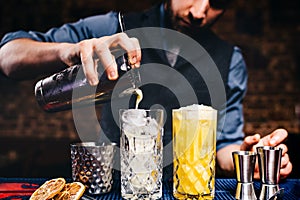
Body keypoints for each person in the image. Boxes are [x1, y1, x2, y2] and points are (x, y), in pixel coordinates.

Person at [0, 0, 292, 180]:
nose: (200, 11)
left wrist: (245, 157)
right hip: (112, 189)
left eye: (217, 1)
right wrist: (70, 50)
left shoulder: (231, 60)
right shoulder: (114, 27)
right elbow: (8, 57)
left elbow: (222, 148)